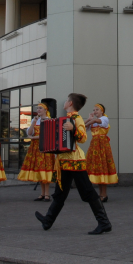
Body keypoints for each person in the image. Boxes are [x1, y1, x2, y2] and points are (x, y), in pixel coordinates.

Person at [35, 93, 112, 234]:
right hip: (64, 162)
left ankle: (104, 222)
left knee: (87, 191)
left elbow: (83, 138)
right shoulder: (66, 119)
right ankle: (48, 220)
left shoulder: (76, 118)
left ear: (70, 103)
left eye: (66, 101)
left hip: (75, 161)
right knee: (60, 193)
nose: (64, 103)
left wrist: (74, 129)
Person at [17, 101, 55, 201]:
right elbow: (29, 133)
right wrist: (33, 122)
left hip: (45, 147)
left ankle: (47, 194)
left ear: (45, 110)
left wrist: (33, 138)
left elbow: (47, 135)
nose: (38, 110)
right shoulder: (35, 120)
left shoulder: (49, 120)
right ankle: (42, 193)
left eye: (40, 108)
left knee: (45, 169)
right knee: (39, 169)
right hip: (36, 147)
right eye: (37, 108)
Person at [85, 103, 118, 202]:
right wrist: (88, 119)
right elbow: (85, 129)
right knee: (98, 169)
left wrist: (90, 121)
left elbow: (97, 121)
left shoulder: (104, 119)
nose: (95, 112)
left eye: (97, 110)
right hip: (95, 146)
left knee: (103, 168)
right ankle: (101, 194)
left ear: (102, 111)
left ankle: (104, 194)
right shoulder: (94, 121)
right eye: (94, 110)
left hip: (102, 146)